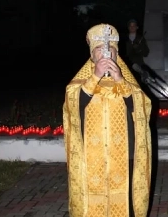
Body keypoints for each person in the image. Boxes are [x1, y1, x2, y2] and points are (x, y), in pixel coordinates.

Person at [63, 23, 152, 217]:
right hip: (90, 155)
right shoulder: (80, 82)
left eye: (110, 51)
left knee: (125, 202)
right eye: (99, 50)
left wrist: (120, 79)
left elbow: (141, 107)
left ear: (116, 55)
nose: (105, 55)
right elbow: (72, 106)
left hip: (123, 153)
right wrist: (95, 77)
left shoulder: (126, 81)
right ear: (92, 55)